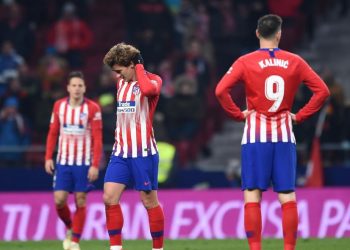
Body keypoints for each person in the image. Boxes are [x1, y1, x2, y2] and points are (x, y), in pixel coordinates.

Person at [215, 14, 330, 250]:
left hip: (255, 136)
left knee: (252, 194)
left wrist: (238, 114)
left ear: (257, 33)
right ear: (279, 34)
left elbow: (220, 91)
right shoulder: (295, 61)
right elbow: (323, 91)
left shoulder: (245, 61)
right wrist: (300, 116)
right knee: (287, 196)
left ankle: (256, 248)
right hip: (285, 136)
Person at [103, 43, 164, 250]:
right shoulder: (121, 83)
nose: (118, 75)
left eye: (120, 70)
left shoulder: (154, 81)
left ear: (131, 65)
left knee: (149, 202)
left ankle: (158, 248)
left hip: (143, 152)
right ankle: (116, 248)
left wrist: (138, 65)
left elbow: (146, 89)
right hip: (120, 151)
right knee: (109, 197)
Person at [44, 71, 103, 250]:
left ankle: (75, 241)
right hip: (63, 161)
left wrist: (95, 164)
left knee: (81, 200)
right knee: (59, 200)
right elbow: (53, 133)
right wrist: (48, 157)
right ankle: (70, 226)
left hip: (83, 162)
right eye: (74, 85)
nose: (77, 89)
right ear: (68, 88)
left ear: (84, 88)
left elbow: (97, 138)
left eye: (80, 85)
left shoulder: (92, 108)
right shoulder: (59, 106)